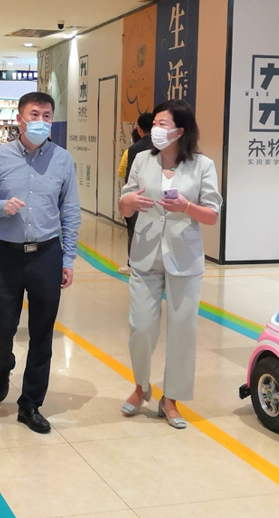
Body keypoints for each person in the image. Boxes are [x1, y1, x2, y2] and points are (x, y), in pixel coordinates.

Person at [0, 92, 81, 434]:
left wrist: (68, 257)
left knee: (42, 333)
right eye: (34, 114)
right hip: (3, 254)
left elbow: (70, 210)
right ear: (19, 119)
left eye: (47, 115)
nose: (41, 121)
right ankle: (3, 366)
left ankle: (30, 404)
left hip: (46, 254)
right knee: (0, 331)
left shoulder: (62, 159)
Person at [118, 99, 221, 429]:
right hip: (145, 254)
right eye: (155, 124)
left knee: (182, 331)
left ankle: (171, 398)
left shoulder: (203, 165)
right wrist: (128, 201)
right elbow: (124, 205)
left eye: (163, 124)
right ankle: (141, 388)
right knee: (141, 327)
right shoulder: (142, 160)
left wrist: (187, 206)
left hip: (184, 259)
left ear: (180, 130)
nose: (156, 130)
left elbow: (212, 215)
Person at [118, 113, 154, 276]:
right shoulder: (167, 148)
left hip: (139, 196)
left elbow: (130, 176)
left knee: (134, 230)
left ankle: (132, 263)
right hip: (158, 198)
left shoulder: (135, 149)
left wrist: (128, 197)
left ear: (139, 129)